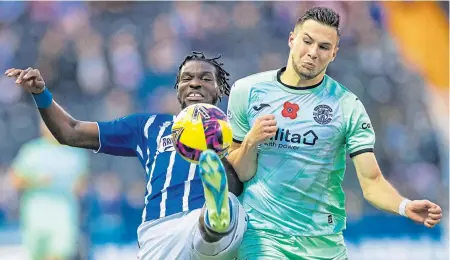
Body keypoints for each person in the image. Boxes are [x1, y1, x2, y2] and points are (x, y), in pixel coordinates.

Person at [226, 7, 443, 259]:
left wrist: (404, 206)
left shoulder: (347, 105)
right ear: (291, 39)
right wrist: (251, 142)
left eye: (323, 47)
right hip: (264, 237)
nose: (312, 53)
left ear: (334, 54)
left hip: (324, 242)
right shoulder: (247, 91)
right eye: (307, 41)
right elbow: (238, 173)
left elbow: (371, 183)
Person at [5, 51, 247, 260]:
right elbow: (71, 132)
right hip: (162, 230)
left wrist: (253, 142)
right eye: (187, 78)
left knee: (230, 212)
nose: (195, 83)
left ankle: (214, 218)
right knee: (226, 215)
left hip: (210, 228)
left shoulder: (240, 131)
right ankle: (216, 218)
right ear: (178, 89)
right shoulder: (149, 126)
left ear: (220, 89)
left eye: (206, 78)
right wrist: (41, 94)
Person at [9, 120, 89, 260]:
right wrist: (38, 181)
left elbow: (81, 185)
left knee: (59, 254)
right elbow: (15, 181)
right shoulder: (31, 151)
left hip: (63, 215)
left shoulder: (75, 154)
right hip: (35, 215)